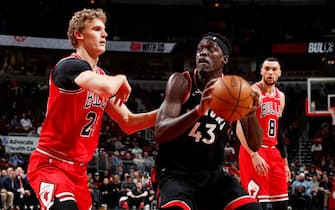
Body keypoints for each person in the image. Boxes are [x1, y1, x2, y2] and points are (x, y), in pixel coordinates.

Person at [27, 8, 157, 210]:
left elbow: (128, 123)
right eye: (96, 29)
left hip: (78, 172)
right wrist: (121, 78)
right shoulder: (69, 66)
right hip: (51, 164)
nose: (104, 34)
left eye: (104, 30)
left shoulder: (102, 76)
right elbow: (105, 87)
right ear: (79, 35)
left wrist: (170, 112)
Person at [153, 32, 263, 210]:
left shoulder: (236, 92)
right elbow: (159, 133)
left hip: (213, 175)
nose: (203, 53)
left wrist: (251, 113)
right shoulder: (181, 82)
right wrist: (199, 110)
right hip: (175, 174)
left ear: (224, 59)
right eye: (200, 49)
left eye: (211, 49)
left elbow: (255, 144)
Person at [237, 57, 290, 210]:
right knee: (259, 205)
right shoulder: (252, 93)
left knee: (282, 203)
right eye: (267, 69)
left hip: (274, 153)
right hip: (254, 150)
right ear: (261, 71)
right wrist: (253, 154)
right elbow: (240, 127)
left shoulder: (281, 96)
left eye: (274, 69)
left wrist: (285, 163)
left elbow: (278, 131)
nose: (270, 72)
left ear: (279, 73)